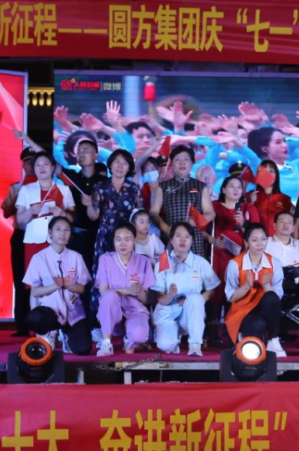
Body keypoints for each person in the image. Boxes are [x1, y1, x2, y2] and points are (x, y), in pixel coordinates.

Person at [23, 216, 92, 354]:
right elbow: (35, 292)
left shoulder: (76, 257)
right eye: (58, 229)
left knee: (83, 349)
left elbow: (82, 288)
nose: (62, 233)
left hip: (73, 311)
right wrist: (56, 285)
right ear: (50, 233)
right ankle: (51, 333)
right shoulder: (39, 258)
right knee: (35, 318)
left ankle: (65, 335)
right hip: (50, 311)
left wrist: (67, 284)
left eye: (66, 230)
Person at [151, 222, 221, 356]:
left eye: (187, 236)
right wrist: (170, 295)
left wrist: (194, 301)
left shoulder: (200, 262)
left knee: (195, 298)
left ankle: (195, 344)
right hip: (168, 312)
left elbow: (212, 289)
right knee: (166, 345)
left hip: (190, 314)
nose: (182, 240)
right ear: (171, 240)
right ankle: (172, 338)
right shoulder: (163, 262)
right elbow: (159, 298)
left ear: (192, 241)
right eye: (178, 236)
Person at [87, 149, 142, 315]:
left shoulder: (133, 188)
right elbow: (93, 216)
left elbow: (139, 215)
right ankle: (100, 317)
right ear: (110, 164)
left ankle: (127, 315)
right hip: (105, 236)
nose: (120, 166)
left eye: (124, 163)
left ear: (129, 167)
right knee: (103, 274)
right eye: (117, 162)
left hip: (126, 239)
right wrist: (89, 204)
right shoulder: (100, 186)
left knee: (126, 273)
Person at [224, 223, 286, 357]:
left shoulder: (274, 262)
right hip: (242, 310)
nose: (260, 244)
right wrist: (246, 286)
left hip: (265, 308)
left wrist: (266, 285)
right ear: (246, 242)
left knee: (270, 297)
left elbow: (277, 297)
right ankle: (244, 335)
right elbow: (231, 297)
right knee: (257, 326)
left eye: (263, 239)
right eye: (254, 240)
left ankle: (273, 339)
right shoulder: (235, 264)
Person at [94, 221, 156, 356]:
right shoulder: (105, 259)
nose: (123, 244)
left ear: (134, 240)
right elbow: (103, 291)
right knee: (109, 296)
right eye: (118, 239)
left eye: (127, 239)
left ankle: (130, 339)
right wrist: (128, 290)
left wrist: (138, 291)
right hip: (113, 315)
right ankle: (106, 343)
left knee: (140, 336)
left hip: (134, 310)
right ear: (113, 241)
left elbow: (145, 298)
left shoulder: (143, 261)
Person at [16, 152, 76, 278]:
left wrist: (62, 213)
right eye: (37, 165)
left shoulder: (64, 189)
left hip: (58, 242)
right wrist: (30, 211)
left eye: (46, 164)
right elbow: (19, 219)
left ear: (53, 167)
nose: (41, 168)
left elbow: (72, 218)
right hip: (34, 242)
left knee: (57, 279)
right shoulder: (26, 189)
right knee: (35, 280)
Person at [150, 145, 216, 258]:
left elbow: (210, 213)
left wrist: (197, 221)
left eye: (186, 159)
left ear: (192, 163)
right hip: (172, 237)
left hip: (194, 237)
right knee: (172, 266)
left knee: (195, 267)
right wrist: (166, 228)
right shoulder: (163, 186)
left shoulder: (200, 186)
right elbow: (153, 212)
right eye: (177, 160)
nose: (182, 163)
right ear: (172, 164)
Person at [209, 175, 261, 312]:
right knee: (217, 284)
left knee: (236, 283)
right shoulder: (213, 206)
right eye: (232, 186)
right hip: (218, 252)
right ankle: (213, 318)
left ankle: (233, 317)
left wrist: (244, 224)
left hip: (240, 254)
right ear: (223, 190)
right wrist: (211, 239)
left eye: (239, 187)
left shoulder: (248, 208)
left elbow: (257, 233)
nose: (236, 190)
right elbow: (200, 228)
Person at [266, 211, 299, 334]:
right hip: (270, 284)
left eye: (289, 223)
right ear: (274, 225)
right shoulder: (265, 242)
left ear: (293, 227)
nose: (286, 225)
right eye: (282, 222)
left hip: (295, 285)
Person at [0, 147, 36, 338]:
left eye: (34, 162)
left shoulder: (47, 186)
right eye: (27, 162)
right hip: (21, 235)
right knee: (20, 279)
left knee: (39, 280)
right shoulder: (16, 187)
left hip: (40, 237)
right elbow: (5, 213)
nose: (30, 166)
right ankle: (21, 325)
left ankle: (41, 323)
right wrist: (14, 201)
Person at [63, 137, 107, 274]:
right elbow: (51, 163)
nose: (81, 154)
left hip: (99, 237)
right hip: (75, 236)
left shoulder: (105, 182)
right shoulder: (73, 177)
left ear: (95, 155)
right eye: (79, 151)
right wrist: (26, 138)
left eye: (86, 151)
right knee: (74, 275)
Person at [249, 160, 292, 237]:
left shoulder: (285, 199)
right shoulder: (249, 196)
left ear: (276, 175)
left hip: (279, 241)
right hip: (257, 241)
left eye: (271, 171)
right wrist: (250, 204)